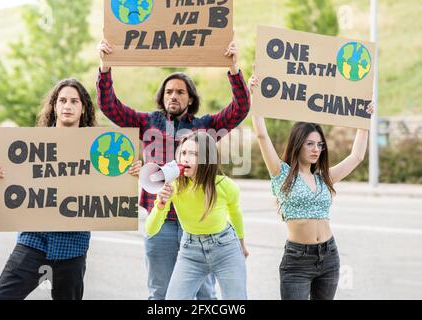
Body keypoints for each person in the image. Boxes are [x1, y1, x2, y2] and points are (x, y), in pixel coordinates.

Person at [97, 39, 250, 300]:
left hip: (199, 226)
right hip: (162, 222)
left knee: (205, 294)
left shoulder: (207, 127)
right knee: (160, 292)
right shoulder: (146, 122)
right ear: (162, 96)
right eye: (168, 92)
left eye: (180, 92)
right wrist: (105, 66)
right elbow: (110, 106)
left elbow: (240, 109)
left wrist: (235, 70)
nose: (173, 96)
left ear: (190, 99)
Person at [0, 78, 142, 300]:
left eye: (74, 101)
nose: (67, 106)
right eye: (62, 100)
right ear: (54, 106)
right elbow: (16, 181)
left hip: (73, 246)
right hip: (32, 241)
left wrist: (131, 172)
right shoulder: (32, 144)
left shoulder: (99, 148)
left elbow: (110, 186)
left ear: (83, 108)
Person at [248, 74, 373, 300]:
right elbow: (261, 135)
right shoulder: (282, 173)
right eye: (310, 144)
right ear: (298, 144)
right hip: (297, 261)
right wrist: (254, 97)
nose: (316, 149)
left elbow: (356, 156)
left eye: (319, 144)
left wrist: (364, 122)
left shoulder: (324, 178)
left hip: (329, 256)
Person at [146, 131, 248, 299]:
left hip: (226, 249)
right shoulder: (174, 187)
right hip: (190, 251)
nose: (185, 159)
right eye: (183, 153)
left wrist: (241, 245)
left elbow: (235, 214)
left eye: (193, 154)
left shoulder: (226, 186)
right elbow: (150, 230)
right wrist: (160, 204)